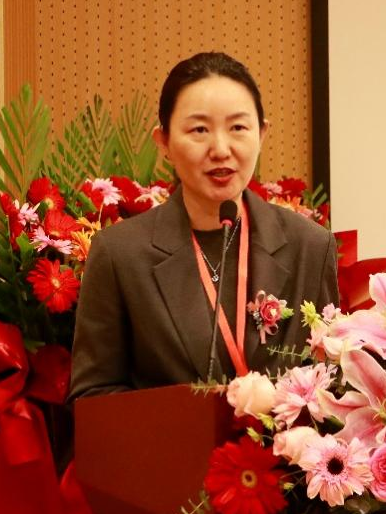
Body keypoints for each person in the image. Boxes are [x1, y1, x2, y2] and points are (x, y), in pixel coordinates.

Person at [69, 52, 338, 399]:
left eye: (238, 128)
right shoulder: (120, 254)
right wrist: (190, 419)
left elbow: (330, 382)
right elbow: (92, 398)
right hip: (170, 437)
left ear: (262, 133)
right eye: (199, 130)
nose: (221, 149)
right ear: (163, 142)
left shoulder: (310, 247)